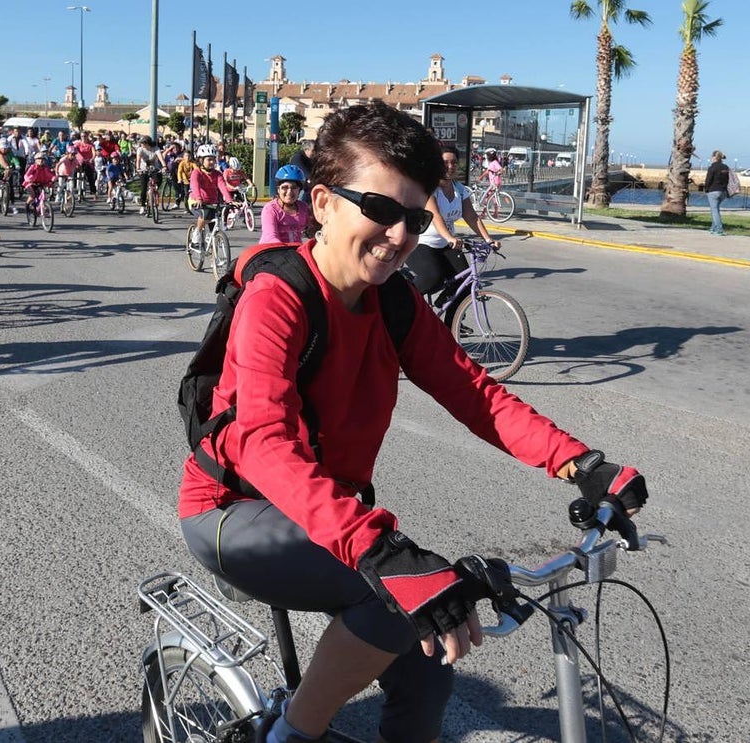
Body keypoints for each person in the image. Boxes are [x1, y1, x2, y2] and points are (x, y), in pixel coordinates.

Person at [177, 103, 648, 743]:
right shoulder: (277, 297)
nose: (399, 236)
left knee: (430, 660)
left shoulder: (392, 300)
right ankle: (289, 736)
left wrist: (583, 465)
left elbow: (474, 394)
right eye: (380, 209)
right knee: (393, 597)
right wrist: (379, 548)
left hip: (322, 513)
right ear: (322, 203)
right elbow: (263, 443)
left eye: (415, 216)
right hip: (234, 510)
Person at [406, 145, 500, 305]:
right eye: (445, 163)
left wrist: (488, 240)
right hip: (421, 243)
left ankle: (452, 322)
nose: (450, 167)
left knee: (465, 281)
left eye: (454, 163)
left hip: (446, 244)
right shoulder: (430, 188)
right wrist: (450, 237)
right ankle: (403, 303)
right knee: (432, 277)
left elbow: (471, 216)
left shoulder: (459, 189)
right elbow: (435, 215)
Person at [187, 144, 233, 247]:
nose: (212, 162)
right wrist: (199, 198)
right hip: (196, 201)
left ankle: (214, 260)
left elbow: (222, 187)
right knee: (206, 214)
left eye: (213, 159)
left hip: (212, 202)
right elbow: (195, 186)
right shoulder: (197, 172)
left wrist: (229, 200)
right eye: (209, 159)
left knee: (215, 227)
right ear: (201, 160)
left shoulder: (217, 174)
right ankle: (196, 234)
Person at [259, 164, 311, 244]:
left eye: (294, 187)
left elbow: (314, 230)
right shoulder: (270, 209)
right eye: (285, 187)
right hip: (272, 252)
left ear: (299, 190)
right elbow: (271, 237)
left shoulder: (303, 208)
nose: (289, 192)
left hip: (295, 251)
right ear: (278, 189)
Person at [702, 150, 731, 236]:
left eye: (712, 157)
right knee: (716, 210)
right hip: (723, 191)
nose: (711, 158)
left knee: (714, 211)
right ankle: (713, 228)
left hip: (714, 191)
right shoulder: (725, 167)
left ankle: (719, 229)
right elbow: (727, 180)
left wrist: (706, 189)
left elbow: (708, 180)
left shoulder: (712, 167)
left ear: (715, 157)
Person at [135, 136, 163, 215]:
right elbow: (138, 160)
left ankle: (154, 191)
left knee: (159, 178)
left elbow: (160, 157)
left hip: (154, 168)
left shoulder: (155, 148)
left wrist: (164, 166)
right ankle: (143, 206)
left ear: (147, 143)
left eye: (143, 143)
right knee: (143, 188)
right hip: (143, 169)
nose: (142, 145)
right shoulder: (140, 149)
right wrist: (138, 168)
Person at [175, 150, 196, 215]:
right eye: (186, 156)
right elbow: (179, 172)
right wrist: (179, 179)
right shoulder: (182, 163)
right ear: (183, 157)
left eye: (189, 156)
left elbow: (196, 169)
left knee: (194, 193)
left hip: (192, 180)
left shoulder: (192, 163)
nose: (187, 157)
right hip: (185, 181)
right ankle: (187, 208)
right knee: (186, 194)